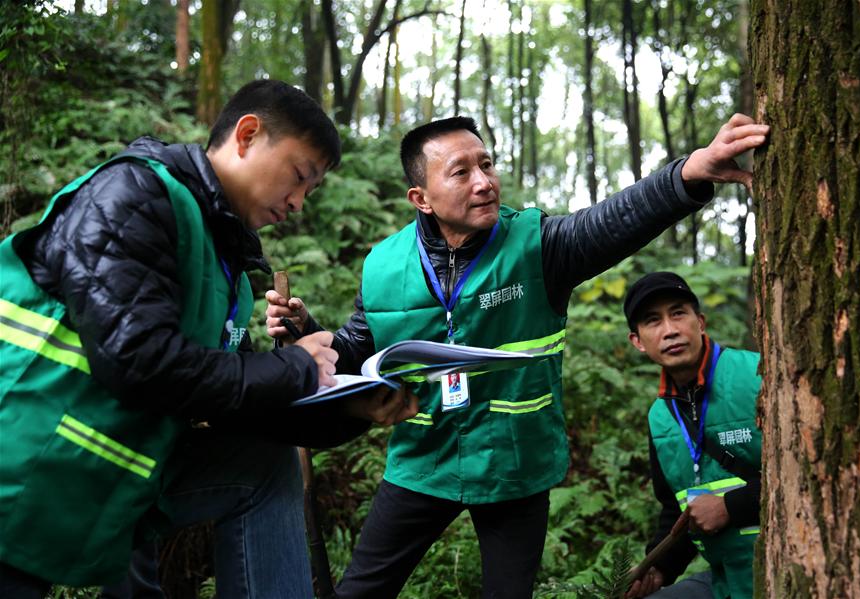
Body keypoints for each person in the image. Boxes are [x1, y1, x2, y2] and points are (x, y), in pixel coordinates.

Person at [266, 113, 769, 598]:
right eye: (460, 172)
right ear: (420, 198)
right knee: (362, 591)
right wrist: (306, 331)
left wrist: (691, 174)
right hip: (422, 462)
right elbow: (358, 347)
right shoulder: (383, 265)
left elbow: (615, 220)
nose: (483, 182)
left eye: (486, 165)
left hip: (515, 466)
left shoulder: (537, 245)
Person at [0, 79, 416, 599]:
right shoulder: (133, 196)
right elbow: (138, 362)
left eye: (311, 191)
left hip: (121, 470)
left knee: (264, 466)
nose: (299, 202)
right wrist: (298, 368)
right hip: (23, 459)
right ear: (247, 135)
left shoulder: (230, 273)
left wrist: (352, 411)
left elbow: (236, 403)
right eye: (299, 176)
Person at [622, 272, 761, 599]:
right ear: (638, 342)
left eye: (678, 313)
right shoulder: (660, 418)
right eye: (653, 321)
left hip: (782, 566)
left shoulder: (758, 376)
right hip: (725, 580)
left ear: (700, 322)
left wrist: (731, 506)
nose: (670, 330)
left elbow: (813, 476)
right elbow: (677, 508)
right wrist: (658, 568)